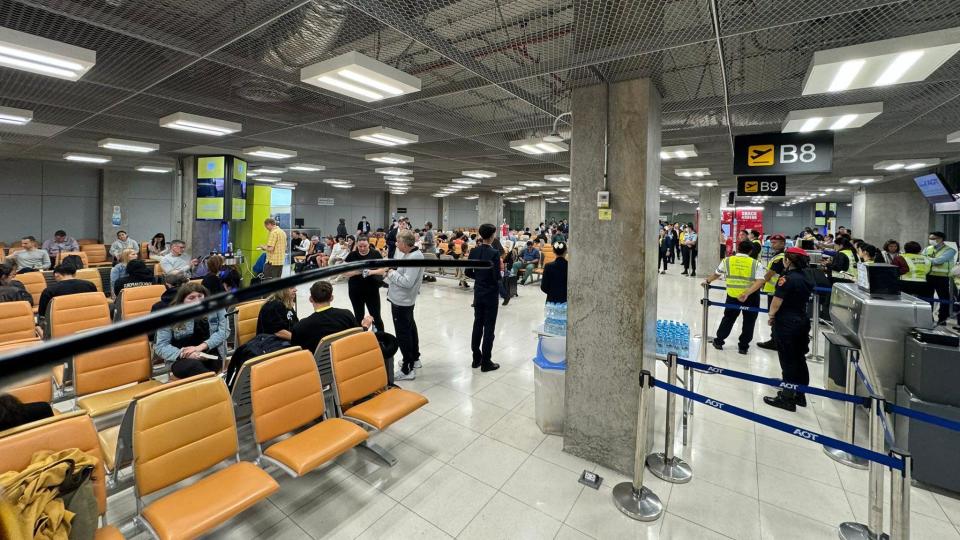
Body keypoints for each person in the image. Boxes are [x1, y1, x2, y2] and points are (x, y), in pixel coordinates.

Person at [763, 247, 815, 411]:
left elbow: (777, 301)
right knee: (799, 358)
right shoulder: (807, 276)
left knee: (788, 359)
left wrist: (771, 315)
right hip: (802, 319)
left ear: (788, 260)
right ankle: (800, 394)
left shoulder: (786, 278)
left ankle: (787, 398)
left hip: (787, 321)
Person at [369, 230, 423, 380]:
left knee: (403, 334)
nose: (396, 245)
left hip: (402, 302)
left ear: (405, 243)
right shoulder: (410, 254)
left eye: (398, 242)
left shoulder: (414, 257)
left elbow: (407, 282)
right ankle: (414, 359)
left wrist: (390, 273)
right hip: (403, 300)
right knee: (410, 328)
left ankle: (407, 368)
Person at [704, 240, 767, 355]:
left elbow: (717, 274)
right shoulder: (755, 263)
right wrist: (747, 293)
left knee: (728, 318)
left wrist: (707, 281)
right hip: (751, 297)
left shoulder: (727, 260)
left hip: (732, 296)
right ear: (751, 251)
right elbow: (760, 281)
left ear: (738, 248)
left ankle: (719, 341)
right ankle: (743, 347)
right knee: (749, 321)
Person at [154, 283, 229, 378]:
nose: (197, 300)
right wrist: (184, 354)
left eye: (200, 296)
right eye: (191, 298)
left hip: (209, 353)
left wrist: (200, 347)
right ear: (182, 301)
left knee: (211, 366)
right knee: (194, 367)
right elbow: (161, 346)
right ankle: (215, 386)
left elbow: (224, 331)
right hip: (180, 358)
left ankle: (211, 386)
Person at [292, 280, 372, 354]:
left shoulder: (300, 327)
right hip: (345, 361)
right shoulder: (346, 315)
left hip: (318, 368)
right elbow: (358, 339)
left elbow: (297, 354)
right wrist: (365, 326)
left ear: (311, 299)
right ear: (331, 298)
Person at [466, 224, 502, 372]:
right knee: (489, 328)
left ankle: (476, 358)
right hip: (491, 294)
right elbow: (496, 276)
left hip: (478, 292)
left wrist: (479, 278)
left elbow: (468, 271)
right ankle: (486, 361)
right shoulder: (494, 253)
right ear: (492, 236)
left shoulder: (474, 251)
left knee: (477, 324)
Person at [344, 236, 385, 331]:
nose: (362, 249)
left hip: (372, 291)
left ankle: (381, 338)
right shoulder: (352, 255)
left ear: (369, 245)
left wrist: (371, 272)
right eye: (360, 246)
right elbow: (344, 272)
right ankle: (360, 338)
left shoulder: (375, 253)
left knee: (376, 316)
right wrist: (358, 272)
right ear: (357, 245)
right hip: (355, 291)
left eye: (365, 246)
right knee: (358, 316)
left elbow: (383, 270)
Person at [757, 234, 786, 350]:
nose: (772, 244)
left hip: (775, 291)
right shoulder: (779, 255)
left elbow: (769, 275)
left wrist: (759, 283)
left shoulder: (780, 257)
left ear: (783, 243)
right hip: (775, 290)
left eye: (775, 242)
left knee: (775, 316)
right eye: (772, 242)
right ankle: (777, 340)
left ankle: (775, 341)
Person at [923, 231, 956, 325]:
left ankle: (942, 320)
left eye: (933, 239)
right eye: (930, 239)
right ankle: (928, 319)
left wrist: (927, 260)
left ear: (941, 239)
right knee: (927, 299)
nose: (931, 240)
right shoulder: (927, 248)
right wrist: (929, 260)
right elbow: (922, 259)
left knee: (943, 299)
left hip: (942, 278)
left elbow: (939, 261)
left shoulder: (950, 250)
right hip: (928, 276)